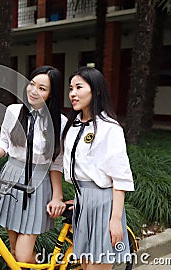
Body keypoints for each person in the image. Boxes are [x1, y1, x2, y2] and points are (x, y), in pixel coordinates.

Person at [0, 66, 67, 264]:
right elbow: (4, 142)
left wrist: (57, 196)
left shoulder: (59, 122)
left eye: (42, 88)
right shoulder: (13, 111)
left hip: (37, 184)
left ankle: (51, 266)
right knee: (13, 252)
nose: (34, 91)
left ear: (52, 94)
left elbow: (56, 162)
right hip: (11, 177)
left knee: (23, 255)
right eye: (32, 84)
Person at [62, 66, 135, 270]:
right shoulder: (73, 125)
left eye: (78, 87)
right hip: (82, 203)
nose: (72, 94)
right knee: (85, 266)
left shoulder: (109, 128)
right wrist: (78, 195)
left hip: (104, 205)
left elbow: (119, 177)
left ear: (96, 90)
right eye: (70, 88)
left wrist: (116, 219)